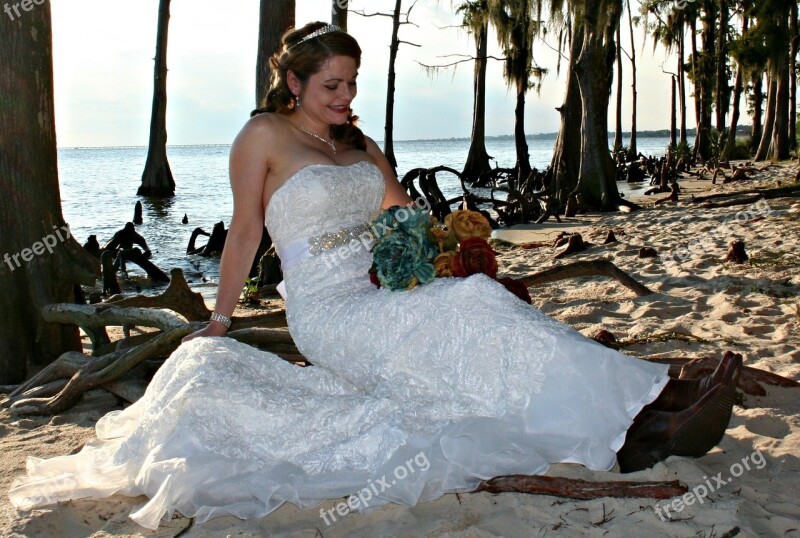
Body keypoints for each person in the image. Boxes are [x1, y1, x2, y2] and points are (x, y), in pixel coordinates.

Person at [9, 22, 741, 530]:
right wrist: (222, 317)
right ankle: (649, 415)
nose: (344, 96)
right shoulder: (262, 137)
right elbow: (242, 232)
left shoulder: (357, 143)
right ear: (294, 81)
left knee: (477, 304)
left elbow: (405, 217)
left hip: (379, 296)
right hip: (327, 315)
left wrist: (453, 251)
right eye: (331, 84)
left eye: (352, 83)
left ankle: (650, 416)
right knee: (470, 316)